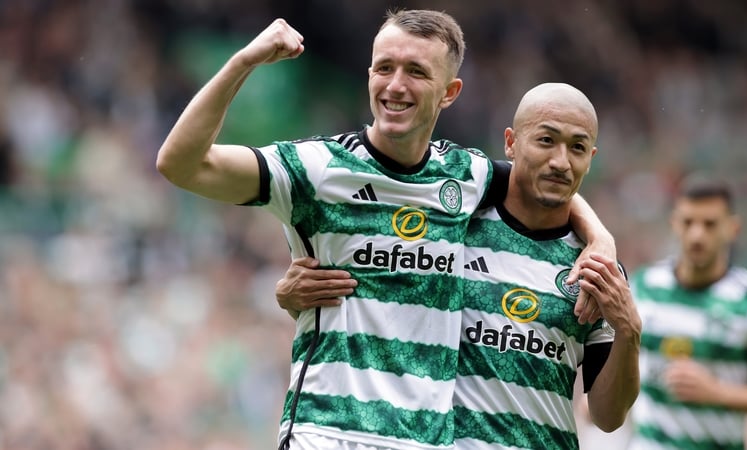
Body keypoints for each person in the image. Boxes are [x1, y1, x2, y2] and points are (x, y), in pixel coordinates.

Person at [156, 9, 613, 450]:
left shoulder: (465, 176)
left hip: (423, 440)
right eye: (385, 68)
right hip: (327, 432)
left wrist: (600, 240)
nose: (396, 85)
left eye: (416, 71)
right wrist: (244, 61)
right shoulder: (317, 169)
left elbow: (546, 181)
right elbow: (180, 164)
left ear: (449, 92)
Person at [277, 83, 643, 449]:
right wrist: (293, 293)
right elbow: (371, 291)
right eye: (546, 140)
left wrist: (629, 333)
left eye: (577, 148)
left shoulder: (597, 270)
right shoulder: (452, 227)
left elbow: (608, 418)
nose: (561, 161)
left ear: (591, 156)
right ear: (511, 143)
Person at [626, 174, 747, 450]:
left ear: (733, 228)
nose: (697, 234)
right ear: (674, 224)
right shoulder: (642, 288)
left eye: (710, 224)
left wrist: (716, 392)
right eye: (688, 222)